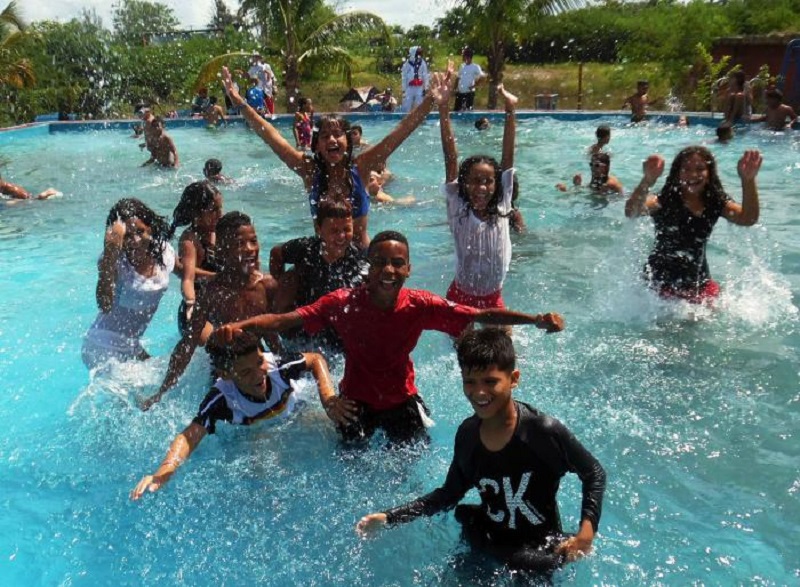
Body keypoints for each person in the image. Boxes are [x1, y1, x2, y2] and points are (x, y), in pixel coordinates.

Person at [212, 230, 565, 445]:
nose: (388, 270)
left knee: (410, 472)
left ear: (408, 269)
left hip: (401, 401)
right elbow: (285, 319)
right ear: (368, 267)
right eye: (380, 262)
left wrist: (534, 319)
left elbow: (479, 315)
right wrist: (243, 326)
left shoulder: (420, 305)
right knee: (350, 472)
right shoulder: (342, 303)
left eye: (398, 263)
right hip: (354, 404)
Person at [356, 328, 606, 575]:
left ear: (514, 379)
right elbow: (449, 494)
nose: (479, 392)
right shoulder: (468, 436)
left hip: (537, 548)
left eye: (490, 381)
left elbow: (593, 473)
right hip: (488, 539)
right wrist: (390, 517)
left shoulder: (542, 432)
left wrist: (585, 534)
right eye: (470, 382)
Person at [221, 65, 452, 249]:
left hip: (360, 256)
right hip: (324, 258)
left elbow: (400, 132)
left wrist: (430, 100)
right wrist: (239, 102)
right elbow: (271, 136)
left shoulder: (362, 167)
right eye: (325, 136)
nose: (332, 140)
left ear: (348, 141)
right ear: (317, 145)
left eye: (338, 134)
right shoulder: (309, 170)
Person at [131, 341, 347, 500]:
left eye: (260, 362)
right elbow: (189, 436)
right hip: (259, 431)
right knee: (263, 471)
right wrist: (163, 472)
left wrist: (328, 399)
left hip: (297, 412)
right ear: (226, 375)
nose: (258, 374)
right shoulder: (222, 398)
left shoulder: (278, 367)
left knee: (339, 429)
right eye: (245, 372)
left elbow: (315, 359)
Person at [141, 211, 278, 409]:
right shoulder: (213, 293)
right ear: (221, 251)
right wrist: (161, 392)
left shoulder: (266, 286)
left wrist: (288, 366)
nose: (250, 249)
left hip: (258, 363)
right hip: (227, 370)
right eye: (240, 244)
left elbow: (273, 336)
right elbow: (187, 345)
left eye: (253, 241)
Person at [625, 147, 762, 302]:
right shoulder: (663, 201)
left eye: (700, 169)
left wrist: (748, 181)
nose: (693, 175)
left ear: (709, 174)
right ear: (677, 173)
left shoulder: (715, 202)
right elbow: (631, 211)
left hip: (699, 282)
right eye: (686, 169)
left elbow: (748, 219)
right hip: (659, 282)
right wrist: (648, 180)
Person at [438, 75, 519, 311]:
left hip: (493, 298)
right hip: (460, 296)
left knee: (508, 337)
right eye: (474, 181)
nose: (481, 188)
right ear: (463, 184)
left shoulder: (502, 204)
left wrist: (510, 110)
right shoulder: (458, 207)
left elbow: (508, 157)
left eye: (487, 181)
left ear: (496, 185)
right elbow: (450, 158)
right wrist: (443, 108)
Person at [82, 198, 175, 369]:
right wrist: (110, 255)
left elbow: (186, 272)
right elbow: (104, 304)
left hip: (131, 344)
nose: (136, 240)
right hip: (103, 346)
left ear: (150, 228)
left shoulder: (163, 251)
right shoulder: (115, 262)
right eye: (127, 236)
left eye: (140, 231)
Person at [269, 200, 367, 351]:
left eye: (347, 229)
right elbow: (276, 253)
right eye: (334, 231)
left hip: (336, 334)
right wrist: (279, 285)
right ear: (319, 229)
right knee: (289, 279)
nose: (341, 236)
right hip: (302, 324)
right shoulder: (306, 249)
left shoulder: (358, 262)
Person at [170, 181, 224, 336]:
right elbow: (188, 278)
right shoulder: (190, 240)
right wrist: (190, 302)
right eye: (214, 210)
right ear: (196, 213)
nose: (220, 214)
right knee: (215, 344)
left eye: (220, 208)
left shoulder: (220, 232)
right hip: (196, 310)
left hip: (219, 307)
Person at [556, 153, 623, 196]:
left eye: (597, 165)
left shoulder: (610, 184)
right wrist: (577, 185)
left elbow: (617, 200)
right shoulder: (598, 177)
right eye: (591, 164)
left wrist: (602, 196)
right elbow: (590, 190)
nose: (593, 168)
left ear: (605, 167)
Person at [454, 47, 486, 112]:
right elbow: (458, 78)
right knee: (456, 111)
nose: (462, 58)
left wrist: (474, 86)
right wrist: (454, 88)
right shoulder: (462, 66)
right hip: (460, 93)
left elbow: (483, 77)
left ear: (468, 57)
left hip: (469, 93)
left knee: (468, 111)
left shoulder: (475, 67)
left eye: (463, 56)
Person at [401, 46, 429, 113]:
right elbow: (404, 77)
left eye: (420, 54)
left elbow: (425, 76)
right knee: (407, 104)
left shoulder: (422, 63)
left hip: (419, 87)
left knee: (419, 105)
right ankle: (405, 116)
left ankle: (419, 117)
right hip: (409, 87)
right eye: (418, 54)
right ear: (413, 53)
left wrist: (425, 88)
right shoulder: (407, 64)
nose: (419, 56)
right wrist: (404, 89)